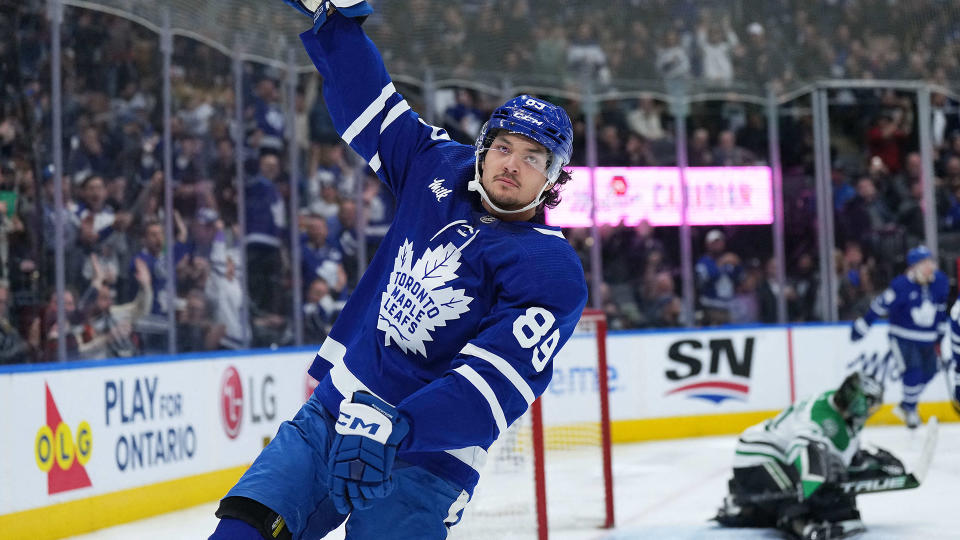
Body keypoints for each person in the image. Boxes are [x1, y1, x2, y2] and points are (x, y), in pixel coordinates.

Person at [210, 2, 587, 540]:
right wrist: (337, 21)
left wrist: (401, 425)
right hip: (335, 412)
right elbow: (372, 103)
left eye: (532, 158)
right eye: (502, 147)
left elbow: (491, 387)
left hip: (428, 457)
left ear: (553, 180)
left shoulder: (550, 269)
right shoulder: (439, 165)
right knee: (242, 529)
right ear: (481, 151)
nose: (511, 164)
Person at [714, 372, 895, 539]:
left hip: (781, 458)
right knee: (796, 497)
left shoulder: (846, 418)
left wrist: (870, 465)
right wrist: (814, 484)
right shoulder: (817, 414)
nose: (870, 411)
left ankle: (750, 508)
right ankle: (804, 527)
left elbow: (840, 460)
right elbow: (800, 447)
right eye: (870, 405)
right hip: (758, 455)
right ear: (859, 402)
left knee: (829, 500)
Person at [849, 245, 948, 428]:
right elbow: (880, 305)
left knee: (930, 372)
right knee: (914, 371)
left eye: (931, 262)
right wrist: (863, 326)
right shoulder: (901, 285)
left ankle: (906, 405)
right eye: (925, 263)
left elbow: (941, 309)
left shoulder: (940, 282)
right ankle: (910, 410)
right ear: (913, 267)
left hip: (927, 338)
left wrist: (940, 335)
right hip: (903, 337)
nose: (930, 267)